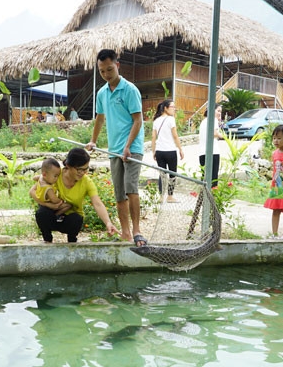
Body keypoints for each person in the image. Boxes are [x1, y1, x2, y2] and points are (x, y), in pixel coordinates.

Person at [86, 49, 147, 247]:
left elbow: (137, 120)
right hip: (114, 150)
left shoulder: (130, 90)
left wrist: (128, 147)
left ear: (117, 66)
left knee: (131, 188)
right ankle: (126, 233)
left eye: (109, 69)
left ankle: (137, 231)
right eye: (102, 71)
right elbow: (100, 118)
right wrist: (93, 141)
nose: (106, 74)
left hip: (132, 147)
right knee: (119, 192)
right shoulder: (102, 93)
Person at [30, 148, 118, 243]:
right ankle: (47, 240)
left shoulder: (86, 182)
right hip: (52, 215)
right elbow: (32, 191)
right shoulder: (56, 175)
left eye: (85, 169)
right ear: (68, 166)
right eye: (79, 169)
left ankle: (72, 241)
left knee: (76, 219)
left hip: (70, 220)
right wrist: (48, 205)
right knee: (42, 212)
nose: (82, 173)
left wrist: (108, 223)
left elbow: (97, 203)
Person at [151, 99, 184, 202]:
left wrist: (153, 151)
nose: (174, 109)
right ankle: (170, 196)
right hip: (170, 151)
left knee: (162, 174)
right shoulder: (171, 119)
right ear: (165, 108)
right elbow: (175, 136)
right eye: (172, 107)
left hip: (160, 151)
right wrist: (180, 149)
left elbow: (153, 138)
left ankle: (161, 197)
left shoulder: (156, 121)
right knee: (172, 174)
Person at [31, 158, 71, 222]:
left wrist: (39, 178)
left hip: (41, 203)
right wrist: (61, 201)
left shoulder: (41, 178)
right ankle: (57, 215)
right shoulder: (48, 188)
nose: (57, 178)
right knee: (68, 205)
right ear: (45, 174)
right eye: (55, 176)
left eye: (58, 176)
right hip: (50, 205)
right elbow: (54, 200)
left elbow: (34, 178)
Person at [198, 106, 223, 187]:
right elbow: (214, 133)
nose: (220, 113)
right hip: (213, 153)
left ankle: (202, 199)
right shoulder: (213, 119)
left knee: (205, 179)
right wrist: (224, 136)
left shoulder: (204, 121)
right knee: (213, 179)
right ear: (212, 110)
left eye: (221, 111)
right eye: (218, 111)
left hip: (202, 153)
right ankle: (212, 198)